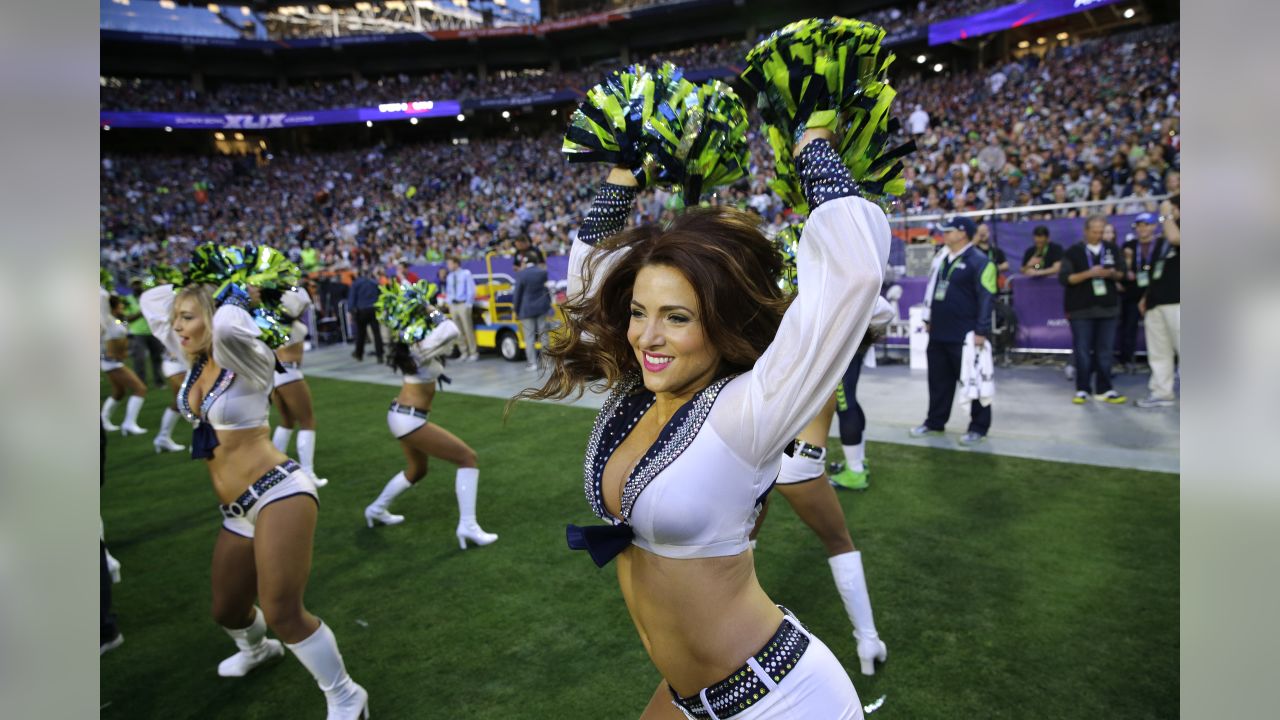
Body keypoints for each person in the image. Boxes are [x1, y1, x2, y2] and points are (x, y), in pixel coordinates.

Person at [523, 129, 887, 718]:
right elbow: (587, 286)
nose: (648, 336)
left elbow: (852, 279)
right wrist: (624, 175)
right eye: (640, 313)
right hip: (690, 698)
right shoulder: (633, 393)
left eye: (677, 317)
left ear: (720, 323)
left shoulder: (749, 410)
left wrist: (813, 145)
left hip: (780, 700)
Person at [142, 272, 368, 719]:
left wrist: (235, 291)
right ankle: (260, 649)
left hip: (279, 493)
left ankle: (345, 696)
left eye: (188, 317)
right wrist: (197, 282)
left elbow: (226, 324)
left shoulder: (247, 352)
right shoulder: (194, 359)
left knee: (284, 611)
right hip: (234, 511)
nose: (178, 327)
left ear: (214, 315)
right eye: (177, 320)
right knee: (227, 609)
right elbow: (151, 301)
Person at [756, 372, 887, 676]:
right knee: (840, 542)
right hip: (799, 455)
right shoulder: (828, 339)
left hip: (758, 453)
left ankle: (732, 629)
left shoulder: (762, 339)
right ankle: (868, 641)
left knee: (741, 541)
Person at [363, 286, 499, 548]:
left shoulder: (415, 342)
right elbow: (451, 329)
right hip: (409, 419)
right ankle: (468, 526)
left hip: (402, 415)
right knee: (467, 458)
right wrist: (429, 308)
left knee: (417, 470)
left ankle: (376, 509)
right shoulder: (419, 345)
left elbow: (445, 337)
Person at [910, 216, 996, 445]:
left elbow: (987, 298)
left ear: (962, 233)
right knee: (938, 381)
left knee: (972, 381)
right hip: (938, 331)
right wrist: (928, 317)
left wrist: (981, 330)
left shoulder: (980, 261)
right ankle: (935, 422)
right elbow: (931, 290)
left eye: (949, 231)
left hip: (966, 334)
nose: (944, 234)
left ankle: (979, 427)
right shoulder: (941, 258)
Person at [1059, 216, 1128, 404]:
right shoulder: (1073, 252)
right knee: (1082, 350)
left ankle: (1105, 389)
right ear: (1086, 231)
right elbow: (1066, 279)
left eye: (1101, 231)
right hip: (1081, 309)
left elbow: (1122, 273)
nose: (1098, 235)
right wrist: (1089, 274)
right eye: (1094, 231)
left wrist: (1111, 274)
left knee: (1105, 350)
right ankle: (1082, 388)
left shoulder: (1112, 248)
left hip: (1108, 308)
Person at [271, 285, 329, 487]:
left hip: (276, 373)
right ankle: (307, 472)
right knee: (307, 421)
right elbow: (303, 299)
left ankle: (274, 467)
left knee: (286, 420)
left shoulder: (271, 321)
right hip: (289, 371)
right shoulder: (284, 322)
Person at [1135, 198, 1180, 407]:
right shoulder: (1161, 240)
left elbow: (1175, 238)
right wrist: (1146, 297)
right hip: (1156, 302)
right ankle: (1162, 393)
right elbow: (1155, 272)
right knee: (1159, 353)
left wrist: (1165, 214)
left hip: (1179, 301)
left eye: (1172, 209)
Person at [100, 291, 149, 436]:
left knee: (119, 392)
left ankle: (103, 421)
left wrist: (136, 315)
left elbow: (125, 324)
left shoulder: (116, 320)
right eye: (120, 306)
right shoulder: (107, 320)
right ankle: (129, 423)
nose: (122, 308)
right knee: (140, 389)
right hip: (112, 361)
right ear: (112, 307)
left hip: (112, 360)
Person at [1118, 213, 1159, 374]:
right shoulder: (1129, 245)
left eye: (1146, 225)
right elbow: (1122, 269)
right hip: (1133, 293)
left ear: (1154, 226)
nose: (1143, 228)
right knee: (1129, 328)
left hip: (1156, 293)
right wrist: (1127, 265)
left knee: (1158, 330)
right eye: (1139, 225)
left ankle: (1162, 362)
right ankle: (1127, 360)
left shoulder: (1160, 244)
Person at [512, 251, 553, 372]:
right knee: (544, 335)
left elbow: (517, 294)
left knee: (529, 337)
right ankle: (547, 363)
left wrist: (515, 309)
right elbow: (546, 289)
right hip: (542, 307)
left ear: (525, 261)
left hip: (526, 309)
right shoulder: (542, 272)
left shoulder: (521, 274)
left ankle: (532, 363)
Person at [126, 278, 165, 387]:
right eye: (134, 284)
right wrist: (142, 311)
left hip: (153, 331)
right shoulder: (127, 299)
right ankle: (140, 383)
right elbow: (127, 318)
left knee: (157, 357)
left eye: (138, 284)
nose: (137, 286)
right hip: (137, 333)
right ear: (131, 286)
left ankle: (159, 381)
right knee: (139, 359)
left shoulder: (148, 297)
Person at [444, 255, 479, 361]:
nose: (448, 266)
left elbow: (471, 289)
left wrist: (468, 304)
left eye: (450, 264)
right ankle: (463, 352)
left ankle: (473, 352)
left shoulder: (466, 274)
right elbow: (449, 291)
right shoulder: (449, 277)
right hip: (453, 305)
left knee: (468, 329)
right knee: (458, 330)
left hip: (463, 304)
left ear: (456, 263)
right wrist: (449, 303)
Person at [347, 266, 383, 363]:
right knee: (377, 334)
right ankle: (380, 355)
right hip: (373, 309)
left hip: (361, 310)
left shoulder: (356, 284)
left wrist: (350, 311)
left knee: (361, 334)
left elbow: (352, 298)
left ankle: (359, 354)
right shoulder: (374, 283)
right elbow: (380, 295)